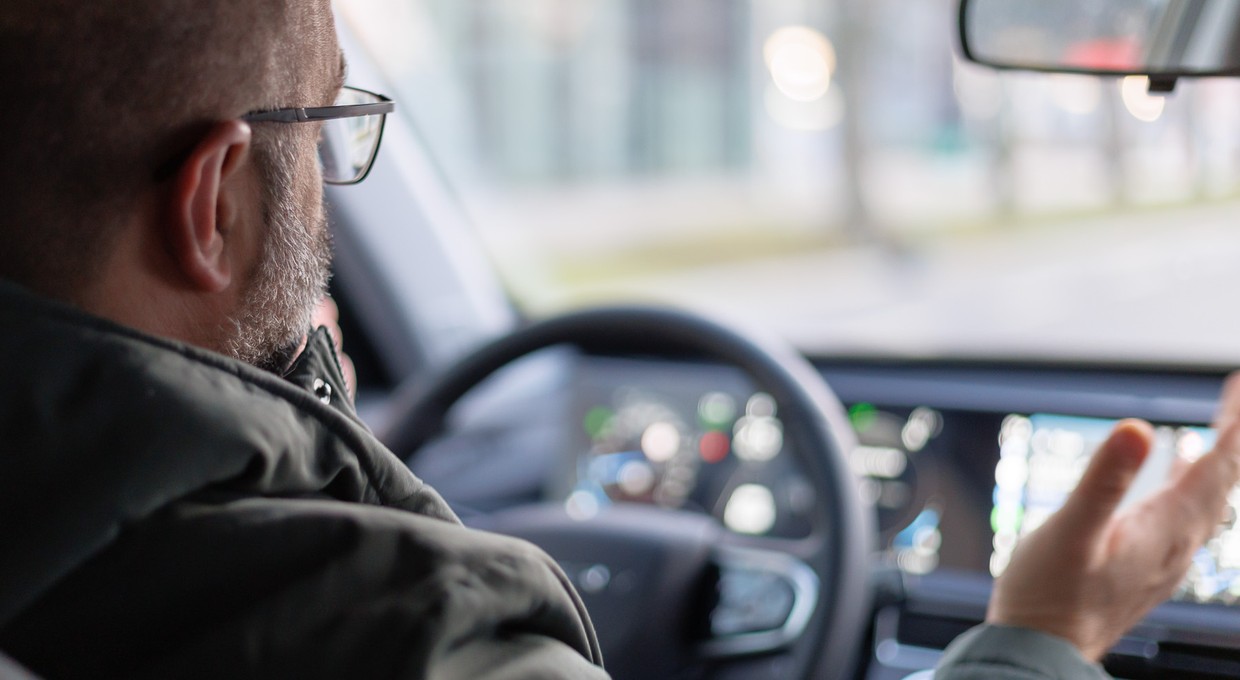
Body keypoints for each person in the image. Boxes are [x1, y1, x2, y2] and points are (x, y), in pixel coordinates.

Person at [0, 2, 1237, 679]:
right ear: (213, 205)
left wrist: (299, 420)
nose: (330, 176)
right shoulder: (396, 638)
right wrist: (1041, 632)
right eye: (321, 128)